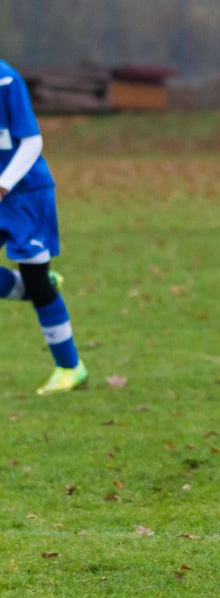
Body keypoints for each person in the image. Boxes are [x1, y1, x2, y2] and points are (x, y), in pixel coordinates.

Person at [0, 58, 88, 394]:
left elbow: (32, 141)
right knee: (36, 285)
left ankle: (70, 367)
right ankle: (33, 286)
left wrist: (4, 184)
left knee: (38, 281)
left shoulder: (6, 81)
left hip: (27, 195)